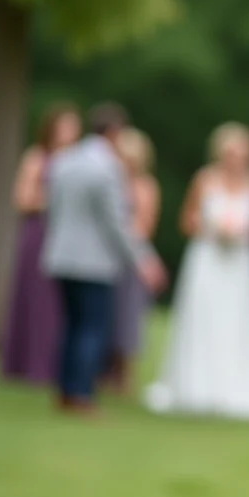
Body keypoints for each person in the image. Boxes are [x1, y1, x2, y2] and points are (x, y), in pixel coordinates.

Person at [144, 122, 249, 422]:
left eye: (240, 154)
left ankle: (239, 387)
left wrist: (242, 231)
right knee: (204, 318)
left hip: (242, 264)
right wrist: (213, 229)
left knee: (241, 321)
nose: (235, 160)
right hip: (208, 259)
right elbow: (187, 221)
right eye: (230, 153)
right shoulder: (204, 180)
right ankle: (197, 387)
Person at [41, 102, 165, 416]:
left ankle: (65, 392)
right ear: (114, 133)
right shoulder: (108, 167)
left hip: (60, 257)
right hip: (93, 263)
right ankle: (82, 395)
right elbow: (116, 222)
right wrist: (144, 260)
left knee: (70, 326)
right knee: (93, 328)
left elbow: (52, 209)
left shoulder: (64, 161)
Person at [0, 103, 82, 385]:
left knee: (60, 304)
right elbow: (22, 199)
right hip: (39, 232)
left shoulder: (78, 161)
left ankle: (55, 367)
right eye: (65, 125)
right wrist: (53, 200)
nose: (70, 132)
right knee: (34, 297)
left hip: (69, 236)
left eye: (74, 126)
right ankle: (25, 364)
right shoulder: (37, 158)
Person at [102, 127, 160, 395]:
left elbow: (144, 225)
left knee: (129, 316)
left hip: (133, 258)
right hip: (105, 255)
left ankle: (123, 376)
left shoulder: (145, 187)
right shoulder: (107, 182)